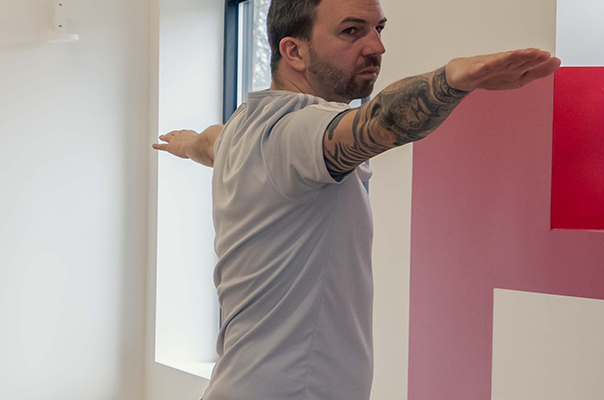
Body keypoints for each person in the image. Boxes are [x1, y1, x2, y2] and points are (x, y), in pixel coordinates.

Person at [151, 0, 560, 398]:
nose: (376, 47)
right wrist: (453, 80)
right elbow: (379, 122)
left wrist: (187, 144)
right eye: (351, 31)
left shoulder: (246, 126)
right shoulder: (297, 130)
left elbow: (211, 142)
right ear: (293, 51)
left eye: (377, 29)